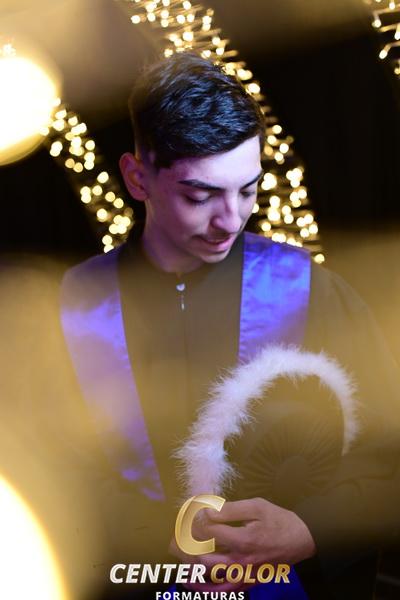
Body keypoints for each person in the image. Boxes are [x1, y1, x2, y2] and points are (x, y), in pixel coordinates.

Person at [59, 53, 400, 599]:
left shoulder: (307, 291)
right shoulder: (75, 308)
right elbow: (49, 474)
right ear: (137, 177)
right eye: (200, 196)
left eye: (248, 190)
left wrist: (310, 529)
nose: (231, 220)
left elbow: (388, 462)